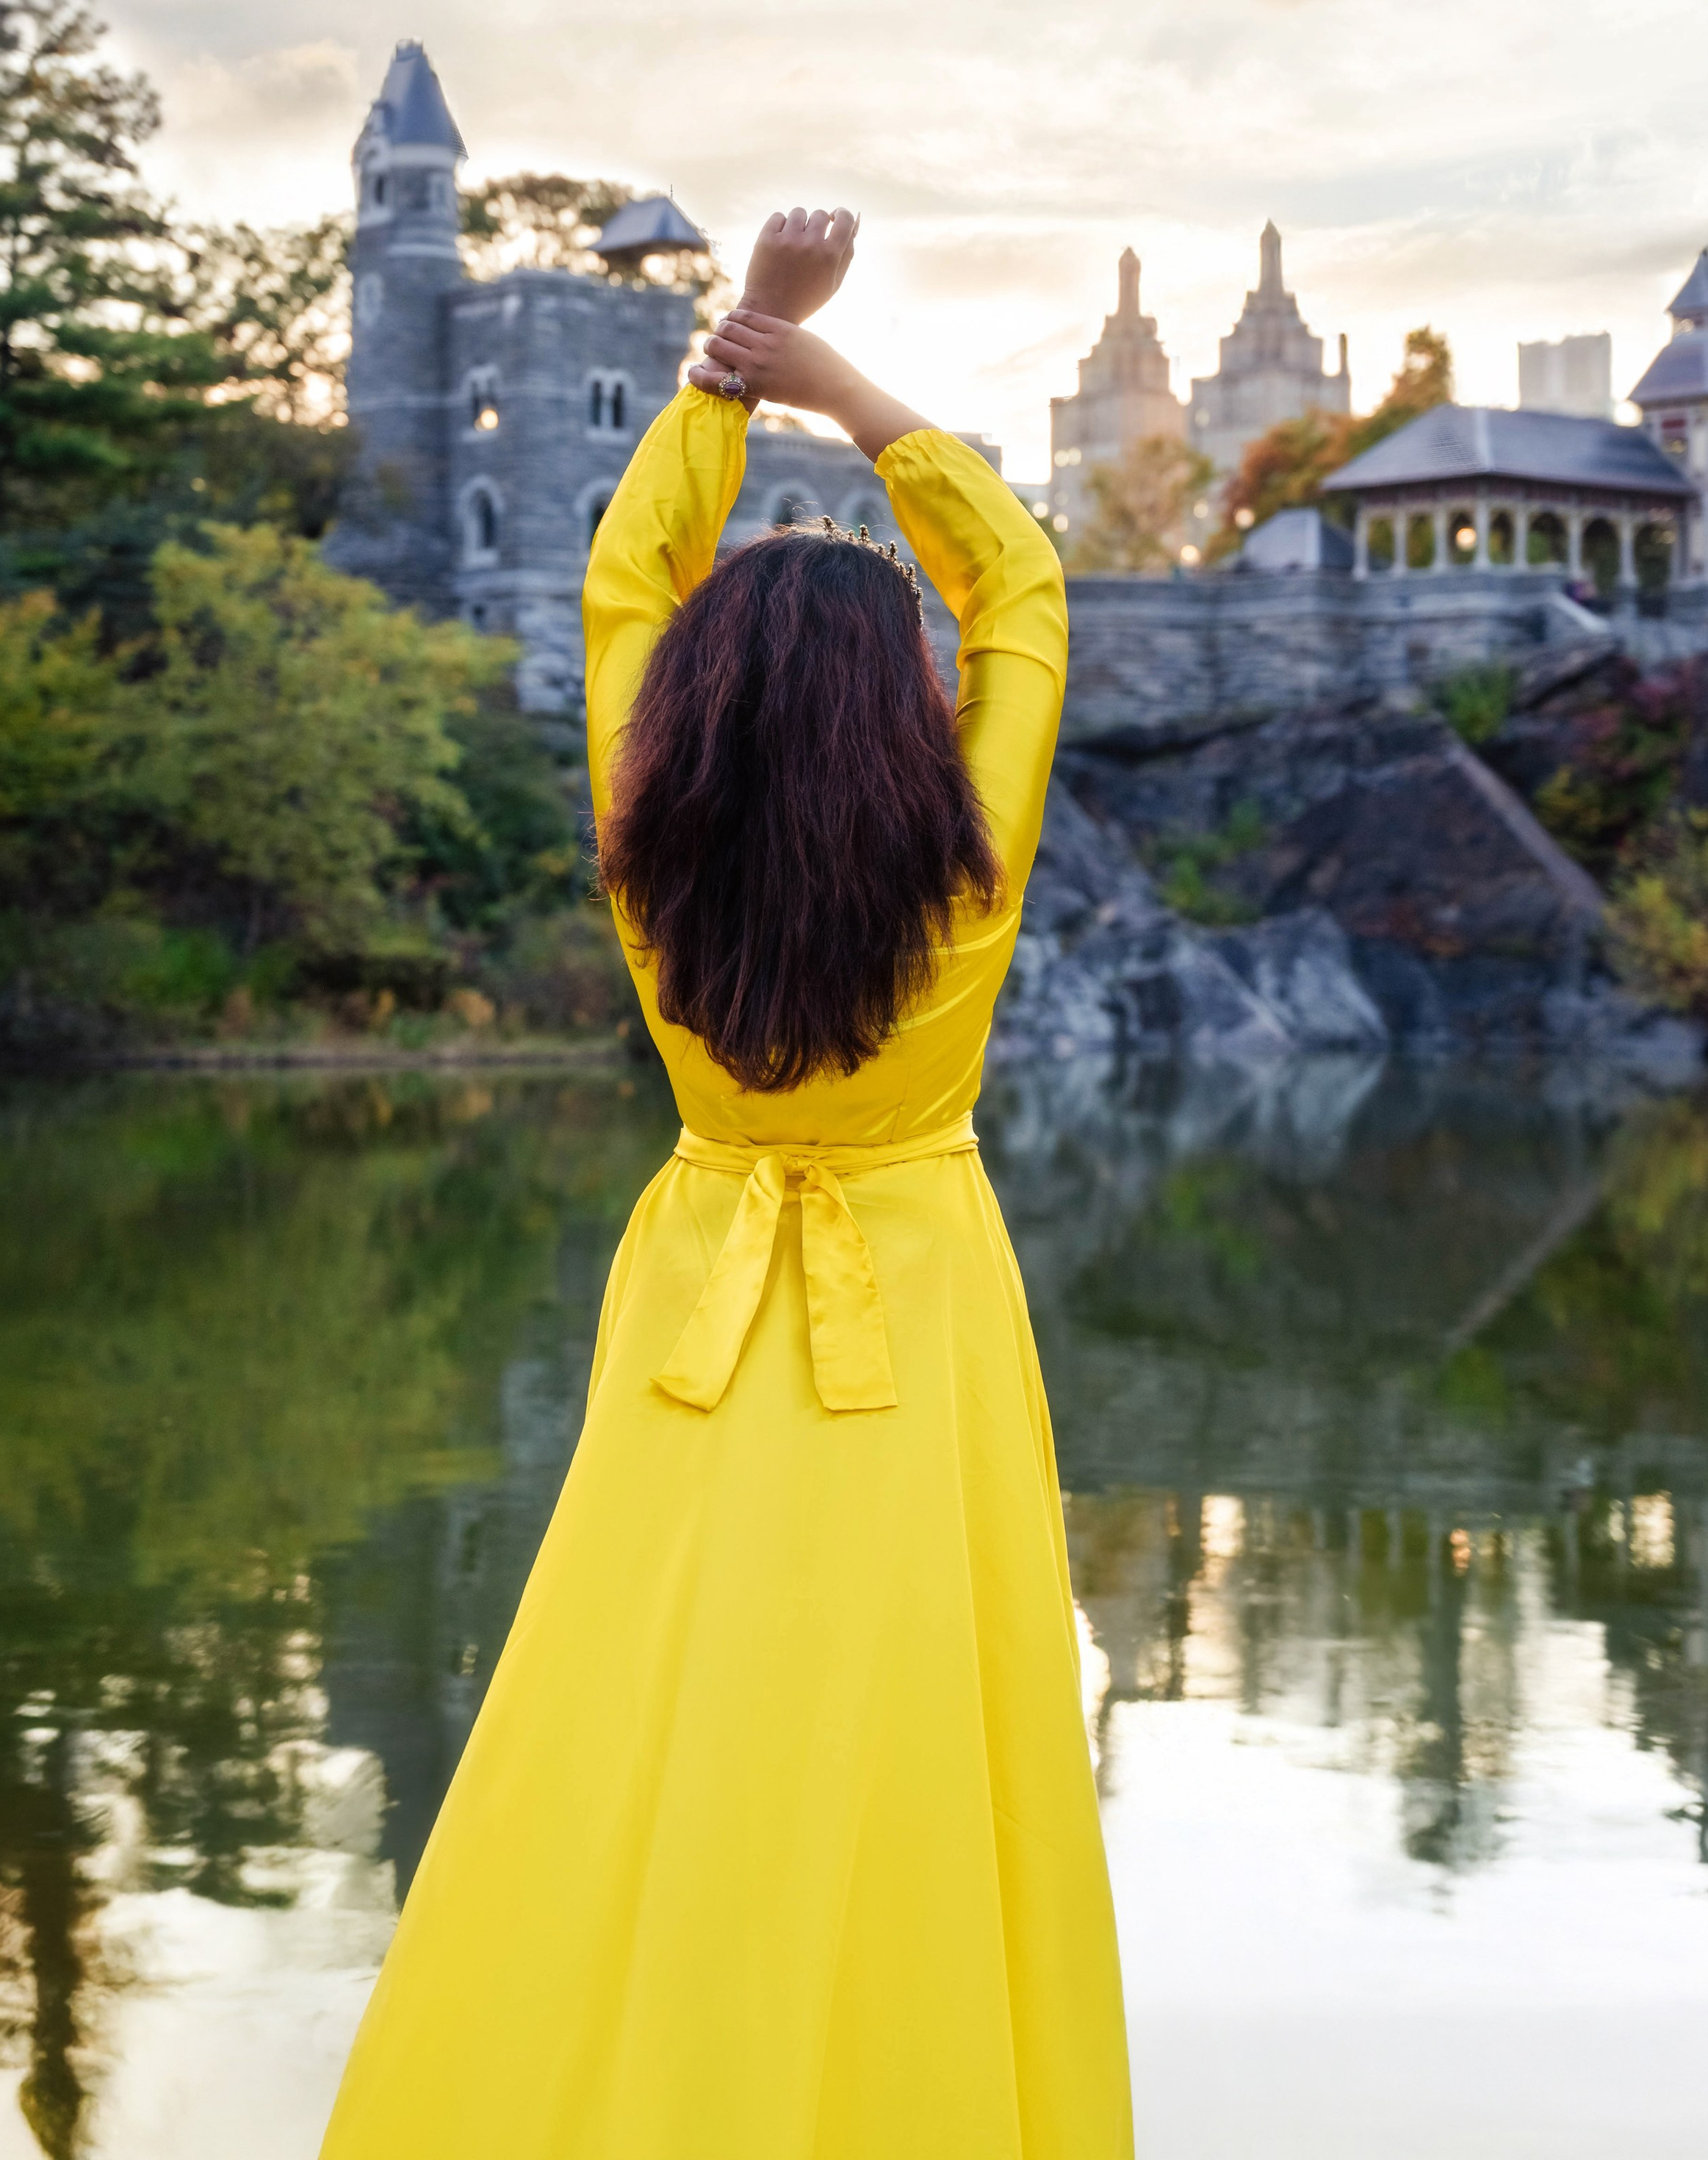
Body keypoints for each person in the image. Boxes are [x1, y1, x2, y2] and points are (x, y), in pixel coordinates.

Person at [320, 209, 1133, 2159]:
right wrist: (828, 378)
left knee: (657, 1688)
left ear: (700, 707)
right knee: (910, 1703)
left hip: (700, 1295)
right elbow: (1022, 587)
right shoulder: (968, 871)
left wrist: (731, 357)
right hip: (916, 1302)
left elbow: (625, 581)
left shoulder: (648, 858)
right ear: (897, 710)